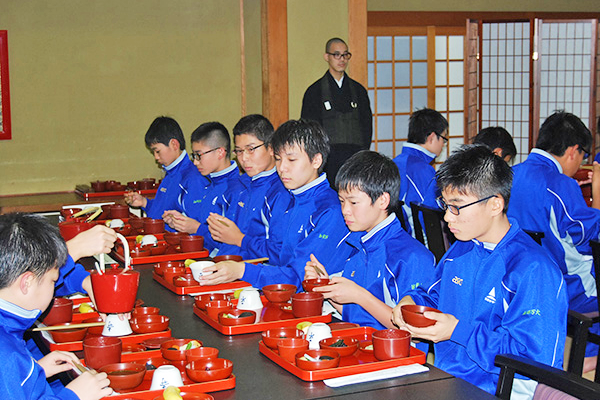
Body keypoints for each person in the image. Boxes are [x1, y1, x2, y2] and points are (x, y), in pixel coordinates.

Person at [391, 145, 567, 399]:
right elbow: (430, 295)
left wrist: (457, 331)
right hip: (448, 377)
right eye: (445, 205)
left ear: (495, 204)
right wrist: (410, 301)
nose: (447, 218)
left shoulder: (532, 269)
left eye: (457, 206)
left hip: (496, 389)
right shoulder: (462, 248)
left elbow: (533, 363)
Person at [197, 119, 347, 288]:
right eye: (278, 159)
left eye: (291, 160)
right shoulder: (293, 197)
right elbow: (280, 261)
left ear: (316, 161)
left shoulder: (330, 210)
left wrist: (242, 270)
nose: (282, 168)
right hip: (278, 286)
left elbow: (299, 279)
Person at [507, 111, 600, 369]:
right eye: (583, 156)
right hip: (564, 283)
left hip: (519, 276)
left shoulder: (511, 174)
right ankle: (588, 360)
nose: (581, 163)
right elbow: (585, 235)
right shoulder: (559, 184)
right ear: (573, 151)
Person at [303, 151, 435, 330]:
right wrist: (327, 289)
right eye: (342, 201)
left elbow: (410, 330)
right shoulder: (359, 241)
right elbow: (359, 318)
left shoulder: (412, 257)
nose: (345, 210)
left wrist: (359, 295)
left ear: (382, 201)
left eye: (353, 203)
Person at [0, 213, 112, 400]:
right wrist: (74, 396)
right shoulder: (7, 356)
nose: (54, 289)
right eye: (53, 281)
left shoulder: (9, 328)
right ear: (26, 283)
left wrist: (35, 371)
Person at [205, 114, 290, 260]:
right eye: (239, 151)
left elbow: (279, 254)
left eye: (251, 149)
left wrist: (239, 239)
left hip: (254, 273)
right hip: (225, 264)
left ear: (271, 148)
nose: (244, 158)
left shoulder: (281, 192)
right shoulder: (240, 185)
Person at [301, 37, 372, 187]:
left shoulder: (358, 91)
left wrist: (362, 155)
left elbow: (366, 125)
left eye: (345, 55)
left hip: (354, 158)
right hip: (327, 160)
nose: (342, 59)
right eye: (337, 55)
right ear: (327, 57)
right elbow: (309, 129)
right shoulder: (314, 92)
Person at [163, 122, 242, 249]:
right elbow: (202, 224)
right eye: (194, 156)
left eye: (199, 155)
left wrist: (196, 228)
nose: (195, 162)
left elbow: (231, 243)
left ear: (220, 152)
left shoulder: (237, 189)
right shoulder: (211, 183)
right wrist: (181, 221)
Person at [124, 116, 199, 224]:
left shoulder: (192, 178)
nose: (156, 157)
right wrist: (144, 203)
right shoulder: (171, 173)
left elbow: (195, 226)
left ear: (174, 144)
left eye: (157, 151)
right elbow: (162, 211)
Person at [392, 108, 448, 236]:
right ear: (432, 137)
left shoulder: (397, 161)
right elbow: (431, 215)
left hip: (395, 236)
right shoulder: (421, 169)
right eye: (444, 139)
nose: (443, 145)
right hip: (414, 239)